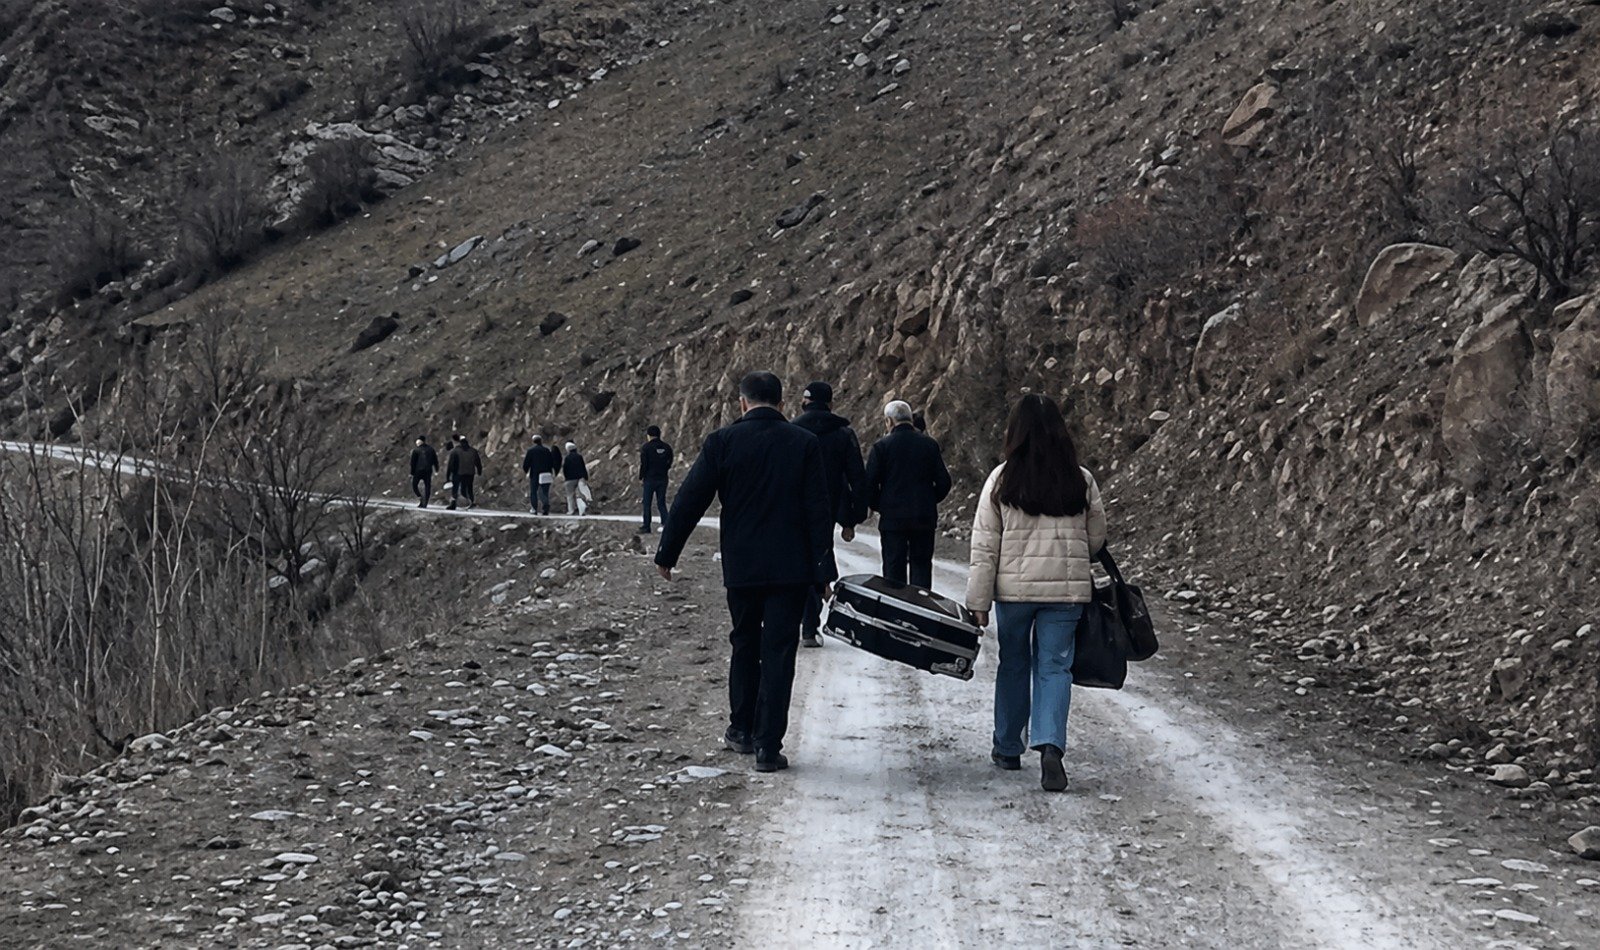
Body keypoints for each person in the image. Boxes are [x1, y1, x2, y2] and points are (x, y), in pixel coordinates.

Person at [654, 371, 836, 773]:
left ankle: (741, 729)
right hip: (791, 569)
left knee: (745, 644)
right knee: (780, 652)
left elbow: (690, 499)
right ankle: (769, 747)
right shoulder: (804, 443)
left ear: (742, 402)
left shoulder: (722, 442)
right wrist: (824, 570)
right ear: (782, 402)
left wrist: (668, 552)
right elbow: (818, 510)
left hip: (743, 567)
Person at [964, 394, 1107, 793]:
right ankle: (1050, 749)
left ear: (1015, 433)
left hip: (1014, 594)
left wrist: (978, 602)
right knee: (1055, 667)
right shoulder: (1080, 479)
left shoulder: (1001, 479)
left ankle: (1008, 746)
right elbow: (1095, 540)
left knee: (1014, 663)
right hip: (1066, 594)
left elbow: (984, 547)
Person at [791, 380, 867, 648]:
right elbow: (857, 477)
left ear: (805, 402)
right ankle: (811, 627)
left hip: (795, 508)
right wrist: (852, 519)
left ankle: (803, 623)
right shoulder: (843, 433)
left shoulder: (792, 431)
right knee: (819, 560)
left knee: (797, 561)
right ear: (831, 404)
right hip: (828, 507)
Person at [864, 399, 952, 589]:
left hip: (893, 520)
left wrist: (882, 505)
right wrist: (929, 499)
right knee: (921, 567)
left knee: (894, 570)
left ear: (889, 421)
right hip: (923, 518)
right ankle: (920, 611)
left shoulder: (882, 447)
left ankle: (896, 613)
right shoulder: (929, 445)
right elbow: (944, 482)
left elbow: (869, 486)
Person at [639, 425, 674, 534]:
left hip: (649, 479)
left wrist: (641, 476)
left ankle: (646, 526)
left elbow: (644, 464)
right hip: (663, 478)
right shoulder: (667, 447)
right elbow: (670, 462)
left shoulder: (646, 448)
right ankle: (666, 524)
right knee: (661, 502)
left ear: (649, 436)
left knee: (647, 503)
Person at [522, 435, 560, 515]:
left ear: (533, 441)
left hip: (535, 474)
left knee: (534, 492)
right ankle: (545, 508)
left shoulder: (531, 451)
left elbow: (526, 463)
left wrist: (526, 471)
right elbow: (552, 462)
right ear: (541, 441)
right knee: (544, 491)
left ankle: (534, 509)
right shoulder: (547, 450)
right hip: (546, 473)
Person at [446, 435, 483, 510]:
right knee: (469, 488)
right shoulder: (473, 451)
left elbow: (450, 464)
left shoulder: (455, 451)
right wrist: (479, 471)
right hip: (470, 473)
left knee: (455, 488)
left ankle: (453, 504)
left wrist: (448, 476)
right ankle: (471, 502)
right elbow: (478, 462)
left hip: (458, 473)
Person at [409, 435, 439, 509]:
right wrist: (436, 469)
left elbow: (413, 463)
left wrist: (412, 473)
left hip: (418, 471)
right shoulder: (431, 449)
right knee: (427, 486)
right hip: (428, 470)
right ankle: (425, 503)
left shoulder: (416, 450)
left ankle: (420, 497)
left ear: (420, 441)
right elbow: (435, 460)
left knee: (414, 484)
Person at [562, 441, 591, 515]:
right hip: (579, 478)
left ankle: (571, 510)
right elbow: (583, 467)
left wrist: (566, 477)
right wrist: (585, 477)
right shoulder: (579, 456)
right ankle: (582, 509)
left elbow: (565, 469)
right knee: (580, 495)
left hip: (570, 479)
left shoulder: (567, 458)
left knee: (570, 496)